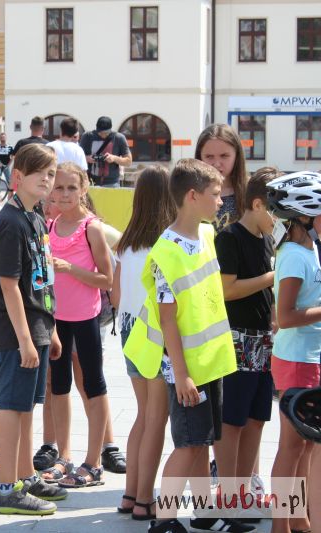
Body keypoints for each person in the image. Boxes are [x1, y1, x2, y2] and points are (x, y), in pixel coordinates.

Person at [124, 159, 245, 533]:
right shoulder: (166, 252)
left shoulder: (207, 234)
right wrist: (181, 374)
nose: (221, 201)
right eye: (215, 194)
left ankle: (206, 514)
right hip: (186, 368)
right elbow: (168, 319)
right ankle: (164, 520)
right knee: (188, 445)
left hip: (208, 362)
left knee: (201, 441)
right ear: (192, 196)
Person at [0, 143, 67, 514]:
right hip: (17, 332)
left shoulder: (34, 216)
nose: (48, 181)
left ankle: (24, 476)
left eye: (51, 174)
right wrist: (24, 340)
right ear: (18, 176)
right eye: (41, 174)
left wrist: (50, 329)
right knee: (11, 406)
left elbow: (42, 279)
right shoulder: (10, 222)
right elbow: (9, 286)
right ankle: (6, 489)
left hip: (37, 326)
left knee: (26, 406)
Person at [211, 167, 278, 519]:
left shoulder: (267, 239)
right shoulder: (230, 237)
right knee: (232, 420)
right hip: (237, 340)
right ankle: (228, 492)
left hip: (263, 341)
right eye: (276, 210)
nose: (279, 220)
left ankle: (246, 488)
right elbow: (227, 290)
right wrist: (273, 276)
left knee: (256, 419)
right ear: (257, 204)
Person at [111, 166, 175, 520]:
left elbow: (115, 296)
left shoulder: (126, 243)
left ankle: (130, 494)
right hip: (157, 333)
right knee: (156, 418)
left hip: (129, 330)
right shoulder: (167, 244)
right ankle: (144, 500)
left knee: (143, 414)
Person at [47, 162, 114, 488]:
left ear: (83, 189)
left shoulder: (92, 228)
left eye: (71, 187)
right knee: (58, 387)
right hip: (56, 319)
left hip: (86, 318)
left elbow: (107, 279)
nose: (64, 194)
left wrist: (70, 269)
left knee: (93, 385)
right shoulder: (50, 225)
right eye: (59, 187)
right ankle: (64, 456)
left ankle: (94, 462)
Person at [266, 171, 321, 533]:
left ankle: (299, 520)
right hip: (297, 361)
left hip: (310, 358)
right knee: (291, 447)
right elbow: (284, 317)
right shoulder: (294, 257)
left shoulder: (310, 249)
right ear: (304, 217)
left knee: (307, 446)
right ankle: (280, 525)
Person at [195, 123, 249, 232]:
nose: (217, 164)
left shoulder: (251, 190)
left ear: (236, 156)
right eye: (209, 156)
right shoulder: (191, 192)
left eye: (224, 156)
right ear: (200, 157)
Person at [78, 116, 132, 188]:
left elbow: (128, 161)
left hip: (112, 183)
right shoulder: (87, 136)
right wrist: (87, 158)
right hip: (90, 181)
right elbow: (77, 157)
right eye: (100, 132)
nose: (103, 135)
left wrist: (114, 158)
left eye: (106, 133)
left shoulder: (119, 138)